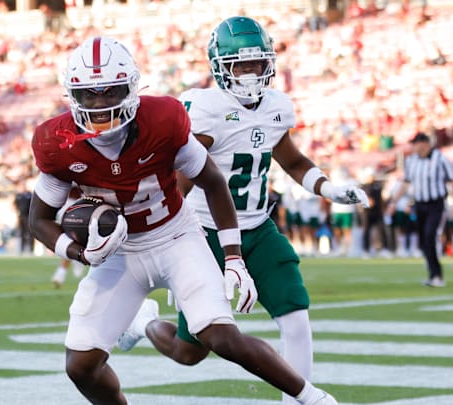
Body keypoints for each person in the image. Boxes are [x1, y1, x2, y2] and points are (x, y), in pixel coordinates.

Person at [29, 36, 338, 405]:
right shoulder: (56, 142)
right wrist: (80, 252)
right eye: (89, 95)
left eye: (111, 93)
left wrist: (234, 256)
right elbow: (40, 219)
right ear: (72, 96)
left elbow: (212, 181)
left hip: (176, 237)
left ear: (131, 89)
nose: (100, 105)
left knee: (221, 338)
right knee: (80, 366)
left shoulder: (164, 119)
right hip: (121, 254)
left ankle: (315, 399)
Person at [118, 17, 368, 405]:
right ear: (220, 66)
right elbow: (177, 183)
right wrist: (176, 254)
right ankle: (144, 322)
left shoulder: (276, 107)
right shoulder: (204, 109)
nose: (251, 73)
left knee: (296, 315)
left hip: (258, 228)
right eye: (241, 64)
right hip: (203, 233)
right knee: (191, 351)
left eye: (257, 63)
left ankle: (302, 400)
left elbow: (294, 162)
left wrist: (331, 189)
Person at [388, 132, 453, 287]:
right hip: (419, 204)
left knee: (430, 235)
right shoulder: (411, 161)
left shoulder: (440, 158)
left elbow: (452, 180)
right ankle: (432, 274)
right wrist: (393, 202)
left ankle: (437, 275)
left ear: (425, 143)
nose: (414, 147)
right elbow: (405, 183)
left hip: (436, 203)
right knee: (423, 240)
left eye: (416, 144)